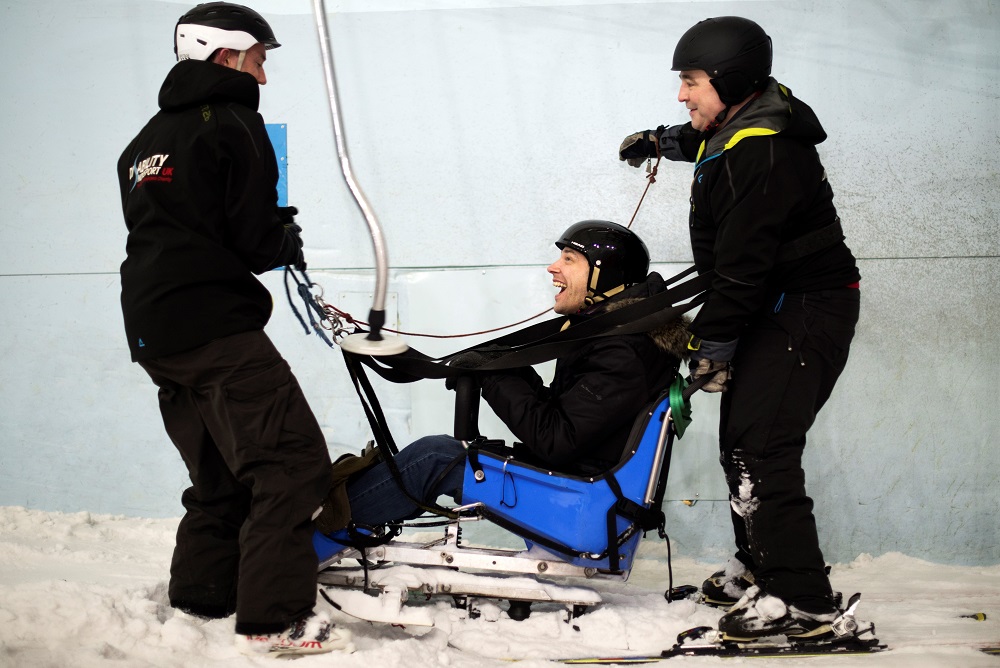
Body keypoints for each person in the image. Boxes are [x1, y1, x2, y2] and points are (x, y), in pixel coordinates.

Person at [116, 2, 350, 656]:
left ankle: (201, 602)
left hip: (152, 327)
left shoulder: (144, 141)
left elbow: (184, 226)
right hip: (214, 322)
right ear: (227, 54)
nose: (264, 76)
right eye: (260, 59)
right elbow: (252, 241)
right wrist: (284, 235)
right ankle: (277, 619)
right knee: (291, 466)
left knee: (219, 472)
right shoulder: (236, 124)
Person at [618, 16, 862, 640]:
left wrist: (709, 345)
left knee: (762, 447)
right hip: (772, 302)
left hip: (803, 308)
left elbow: (744, 271)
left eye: (691, 81)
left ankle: (804, 600)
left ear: (730, 80)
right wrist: (659, 142)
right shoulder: (743, 126)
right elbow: (709, 140)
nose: (682, 94)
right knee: (744, 441)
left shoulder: (765, 153)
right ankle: (761, 564)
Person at [315, 221, 690, 532]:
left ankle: (320, 530)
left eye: (569, 258)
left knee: (435, 456)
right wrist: (501, 369)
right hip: (578, 482)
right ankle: (337, 504)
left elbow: (556, 440)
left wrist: (491, 377)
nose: (553, 267)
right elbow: (564, 419)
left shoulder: (622, 350)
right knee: (439, 453)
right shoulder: (616, 335)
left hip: (580, 499)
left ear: (602, 275)